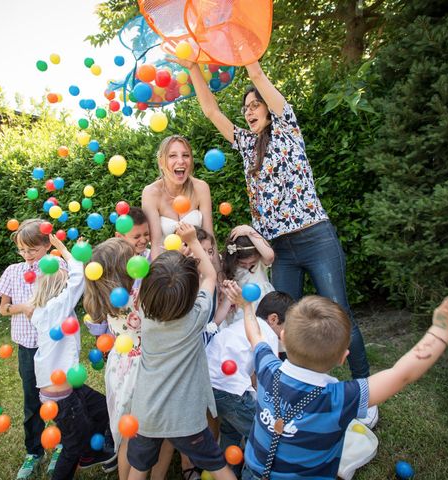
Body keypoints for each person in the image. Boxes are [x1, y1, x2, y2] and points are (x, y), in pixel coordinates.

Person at [175, 59, 374, 422]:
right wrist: (192, 66)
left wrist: (246, 51)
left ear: (269, 108)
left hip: (314, 236)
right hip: (280, 248)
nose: (249, 111)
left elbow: (257, 75)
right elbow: (209, 109)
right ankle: (295, 396)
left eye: (255, 105)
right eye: (245, 108)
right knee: (279, 322)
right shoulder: (245, 145)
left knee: (339, 313)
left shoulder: (287, 129)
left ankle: (365, 396)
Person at [226, 281, 448, 479]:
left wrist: (246, 306)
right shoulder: (340, 398)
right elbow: (402, 374)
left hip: (255, 473)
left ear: (283, 338)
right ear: (343, 358)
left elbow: (255, 335)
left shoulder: (269, 369)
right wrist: (441, 331)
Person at [127, 222, 236, 480]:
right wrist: (193, 241)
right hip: (186, 419)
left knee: (139, 468)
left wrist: (180, 259)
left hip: (146, 415)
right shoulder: (196, 317)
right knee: (218, 467)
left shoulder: (145, 314)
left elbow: (161, 284)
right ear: (191, 293)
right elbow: (210, 276)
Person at [83, 238, 171, 480]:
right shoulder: (140, 293)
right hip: (146, 367)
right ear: (125, 267)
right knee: (157, 431)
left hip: (119, 365)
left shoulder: (102, 294)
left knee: (127, 435)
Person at [29, 234, 115, 479]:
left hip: (65, 387)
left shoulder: (41, 311)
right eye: (63, 282)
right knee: (72, 445)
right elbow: (78, 277)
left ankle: (93, 453)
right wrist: (65, 250)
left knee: (103, 408)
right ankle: (83, 456)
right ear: (58, 287)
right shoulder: (56, 308)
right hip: (61, 395)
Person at [206, 291, 293, 477]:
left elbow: (253, 373)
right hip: (231, 391)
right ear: (274, 319)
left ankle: (230, 472)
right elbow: (269, 380)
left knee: (231, 431)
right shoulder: (266, 334)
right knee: (262, 435)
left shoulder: (243, 323)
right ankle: (253, 474)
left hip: (211, 385)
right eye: (287, 326)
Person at [0, 218, 55, 479]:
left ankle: (64, 443)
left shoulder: (55, 267)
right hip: (27, 348)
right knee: (32, 399)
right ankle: (34, 452)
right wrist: (23, 308)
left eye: (33, 250)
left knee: (58, 396)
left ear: (47, 246)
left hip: (52, 344)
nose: (27, 256)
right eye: (22, 250)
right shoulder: (12, 271)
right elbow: (3, 308)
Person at [142, 135, 217, 262]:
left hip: (201, 263)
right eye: (172, 156)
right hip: (168, 267)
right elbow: (156, 245)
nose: (181, 161)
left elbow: (210, 239)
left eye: (186, 155)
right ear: (161, 162)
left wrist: (218, 277)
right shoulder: (151, 193)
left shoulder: (201, 188)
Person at [218, 224, 275, 327]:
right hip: (240, 304)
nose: (248, 265)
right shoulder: (229, 265)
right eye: (243, 264)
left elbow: (270, 255)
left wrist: (249, 231)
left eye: (252, 262)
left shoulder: (261, 262)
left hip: (261, 301)